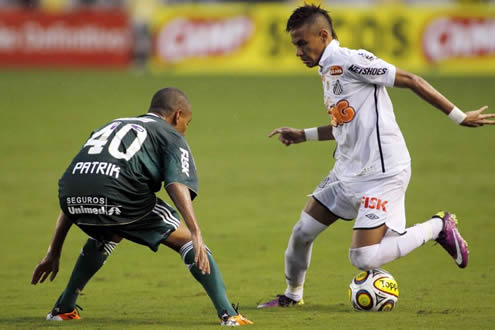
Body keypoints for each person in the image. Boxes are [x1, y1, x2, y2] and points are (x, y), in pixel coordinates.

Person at [258, 4, 495, 308]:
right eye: (294, 44)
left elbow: (412, 80)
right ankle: (292, 296)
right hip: (346, 173)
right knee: (301, 232)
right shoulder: (327, 70)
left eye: (302, 43)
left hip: (382, 175)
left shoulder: (351, 60)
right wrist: (303, 134)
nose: (297, 51)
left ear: (323, 35)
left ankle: (438, 227)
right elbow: (344, 124)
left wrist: (460, 116)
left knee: (363, 257)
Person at [31, 87, 253, 326]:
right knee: (186, 240)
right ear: (178, 115)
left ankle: (63, 308)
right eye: (187, 123)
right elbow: (176, 182)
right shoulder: (169, 134)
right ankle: (229, 315)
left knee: (109, 230)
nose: (185, 130)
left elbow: (85, 183)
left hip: (71, 196)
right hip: (119, 195)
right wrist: (196, 231)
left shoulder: (111, 125)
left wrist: (53, 251)